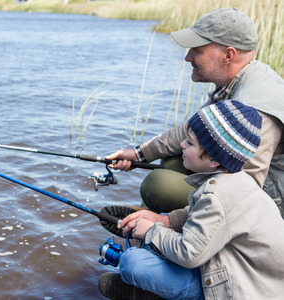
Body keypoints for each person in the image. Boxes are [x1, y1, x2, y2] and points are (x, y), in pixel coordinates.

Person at [103, 8, 284, 224]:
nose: (187, 57)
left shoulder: (254, 108)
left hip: (267, 199)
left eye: (197, 50)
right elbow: (192, 129)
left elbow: (242, 195)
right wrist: (138, 154)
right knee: (174, 157)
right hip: (236, 181)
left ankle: (150, 226)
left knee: (158, 185)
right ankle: (141, 222)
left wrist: (170, 221)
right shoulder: (239, 78)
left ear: (228, 55)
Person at [98, 100, 284, 300]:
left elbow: (189, 253)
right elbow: (205, 218)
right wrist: (162, 220)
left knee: (132, 262)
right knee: (155, 243)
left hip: (242, 290)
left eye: (190, 142)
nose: (181, 145)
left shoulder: (217, 195)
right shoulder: (237, 182)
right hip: (245, 271)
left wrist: (152, 231)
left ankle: (163, 293)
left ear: (214, 159)